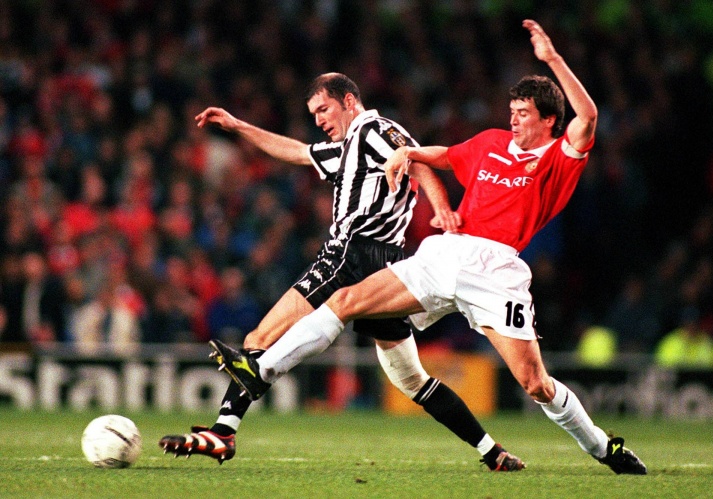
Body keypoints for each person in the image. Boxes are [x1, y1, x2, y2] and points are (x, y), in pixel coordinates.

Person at [212, 20, 648, 475]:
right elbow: (445, 155)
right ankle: (260, 372)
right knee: (344, 302)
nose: (514, 119)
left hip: (495, 269)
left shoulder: (559, 157)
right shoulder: (491, 142)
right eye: (512, 110)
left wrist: (552, 58)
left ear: (549, 120)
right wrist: (411, 154)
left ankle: (603, 447)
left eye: (523, 113)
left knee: (534, 383)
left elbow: (588, 117)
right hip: (445, 253)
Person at [161, 73, 524, 472]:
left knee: (259, 339)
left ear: (349, 101)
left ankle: (225, 429)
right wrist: (239, 126)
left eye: (324, 109)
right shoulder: (347, 147)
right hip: (386, 264)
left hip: (351, 253)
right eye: (313, 113)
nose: (319, 120)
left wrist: (441, 210)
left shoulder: (372, 129)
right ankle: (492, 452)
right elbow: (299, 152)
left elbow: (417, 162)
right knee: (412, 380)